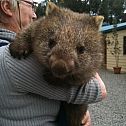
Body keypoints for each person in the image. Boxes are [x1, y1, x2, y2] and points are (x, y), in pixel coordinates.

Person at [0, 0, 107, 126]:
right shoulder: (9, 60)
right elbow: (98, 91)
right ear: (6, 6)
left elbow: (35, 30)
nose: (35, 15)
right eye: (31, 6)